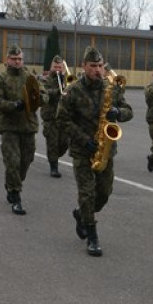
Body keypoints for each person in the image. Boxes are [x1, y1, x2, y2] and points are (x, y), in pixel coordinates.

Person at [56, 47, 133, 256]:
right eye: (93, 66)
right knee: (87, 193)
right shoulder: (73, 90)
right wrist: (82, 139)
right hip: (83, 150)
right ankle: (92, 236)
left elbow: (129, 112)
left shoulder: (112, 88)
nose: (98, 70)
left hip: (105, 150)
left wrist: (118, 112)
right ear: (84, 67)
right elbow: (62, 119)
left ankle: (81, 214)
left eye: (100, 66)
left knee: (104, 193)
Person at [0, 45, 43, 215]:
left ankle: (11, 184)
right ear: (8, 60)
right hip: (9, 126)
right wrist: (14, 106)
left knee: (26, 160)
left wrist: (38, 99)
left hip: (28, 126)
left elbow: (45, 95)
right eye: (14, 59)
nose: (17, 62)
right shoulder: (1, 79)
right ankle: (17, 197)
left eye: (20, 59)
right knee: (12, 161)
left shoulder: (30, 77)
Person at [41, 55, 70, 178]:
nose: (57, 69)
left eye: (60, 67)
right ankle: (54, 167)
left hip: (63, 117)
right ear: (51, 67)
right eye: (55, 67)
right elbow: (45, 92)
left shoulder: (66, 79)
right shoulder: (45, 80)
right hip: (50, 116)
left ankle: (54, 157)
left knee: (64, 143)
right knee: (52, 143)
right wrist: (58, 91)